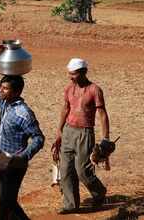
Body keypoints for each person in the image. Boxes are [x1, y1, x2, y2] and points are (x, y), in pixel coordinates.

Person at [0, 44, 45, 220]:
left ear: (17, 91)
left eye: (5, 88)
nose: (1, 91)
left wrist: (24, 157)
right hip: (2, 159)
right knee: (5, 201)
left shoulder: (23, 113)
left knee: (7, 202)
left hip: (16, 162)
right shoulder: (5, 103)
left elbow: (38, 138)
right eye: (1, 88)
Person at [55, 58, 110, 214]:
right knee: (65, 170)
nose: (70, 77)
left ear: (83, 72)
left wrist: (105, 138)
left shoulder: (94, 90)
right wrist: (59, 130)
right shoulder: (68, 89)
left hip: (85, 133)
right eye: (69, 73)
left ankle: (99, 193)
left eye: (73, 74)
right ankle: (70, 205)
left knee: (83, 171)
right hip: (68, 131)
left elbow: (102, 114)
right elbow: (65, 109)